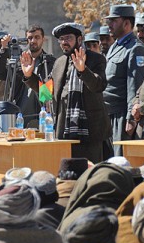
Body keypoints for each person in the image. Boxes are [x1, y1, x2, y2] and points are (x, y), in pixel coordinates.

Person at [25, 22, 110, 163]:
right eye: (61, 39)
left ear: (79, 39)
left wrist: (83, 70)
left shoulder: (96, 59)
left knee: (90, 174)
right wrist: (29, 76)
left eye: (68, 38)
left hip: (90, 132)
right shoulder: (59, 62)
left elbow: (98, 85)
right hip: (64, 132)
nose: (64, 42)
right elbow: (45, 94)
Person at [104, 5, 144, 156]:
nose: (109, 25)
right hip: (108, 115)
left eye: (113, 21)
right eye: (109, 21)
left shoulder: (136, 49)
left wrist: (131, 119)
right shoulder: (114, 46)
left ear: (127, 24)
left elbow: (135, 86)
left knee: (121, 162)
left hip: (122, 117)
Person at [20, 25, 56, 127]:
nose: (33, 41)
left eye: (37, 37)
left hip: (42, 115)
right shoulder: (20, 62)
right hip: (20, 115)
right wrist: (3, 50)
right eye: (30, 38)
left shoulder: (50, 62)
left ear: (43, 39)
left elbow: (47, 93)